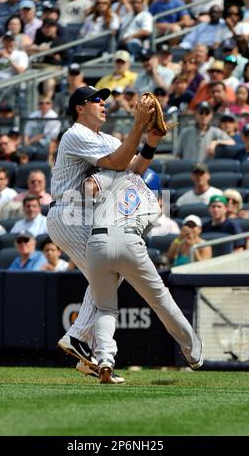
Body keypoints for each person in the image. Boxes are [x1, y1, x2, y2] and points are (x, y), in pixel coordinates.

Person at [46, 85, 161, 382]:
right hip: (69, 213)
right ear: (79, 108)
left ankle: (94, 357)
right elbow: (117, 162)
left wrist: (151, 142)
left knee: (108, 276)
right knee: (110, 271)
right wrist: (137, 127)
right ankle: (79, 339)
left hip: (83, 215)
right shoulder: (75, 134)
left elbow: (133, 167)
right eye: (95, 99)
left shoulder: (106, 138)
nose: (102, 103)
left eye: (104, 99)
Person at [83, 168, 203, 382]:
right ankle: (193, 352)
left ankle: (104, 360)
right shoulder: (153, 205)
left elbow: (90, 188)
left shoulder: (117, 176)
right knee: (160, 300)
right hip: (130, 242)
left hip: (97, 242)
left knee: (105, 308)